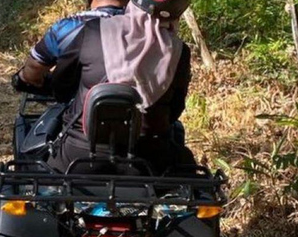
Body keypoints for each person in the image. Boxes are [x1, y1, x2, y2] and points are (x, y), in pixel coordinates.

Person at [47, 0, 195, 175]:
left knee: (44, 180)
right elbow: (175, 110)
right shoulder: (180, 51)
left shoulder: (94, 30)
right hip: (150, 162)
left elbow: (61, 87)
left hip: (78, 156)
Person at [12, 0, 128, 93]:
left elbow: (33, 70)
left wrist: (22, 78)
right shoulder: (143, 26)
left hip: (79, 116)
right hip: (138, 113)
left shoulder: (67, 27)